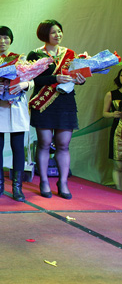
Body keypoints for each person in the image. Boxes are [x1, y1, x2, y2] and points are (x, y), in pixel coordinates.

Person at [27, 19, 85, 200]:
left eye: (59, 31)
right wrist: (55, 78)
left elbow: (75, 76)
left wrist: (80, 80)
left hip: (65, 103)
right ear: (44, 34)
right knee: (44, 143)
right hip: (43, 103)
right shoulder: (35, 54)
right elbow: (31, 80)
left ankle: (63, 182)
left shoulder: (70, 54)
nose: (57, 35)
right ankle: (44, 181)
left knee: (63, 144)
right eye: (53, 32)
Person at [0, 26, 30, 201]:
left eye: (6, 38)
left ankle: (17, 188)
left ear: (11, 40)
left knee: (18, 148)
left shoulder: (20, 60)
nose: (2, 41)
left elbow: (32, 78)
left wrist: (25, 85)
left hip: (16, 107)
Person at [102, 68, 122, 190]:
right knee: (118, 164)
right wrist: (113, 114)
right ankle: (119, 191)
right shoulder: (111, 94)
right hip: (118, 132)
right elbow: (104, 113)